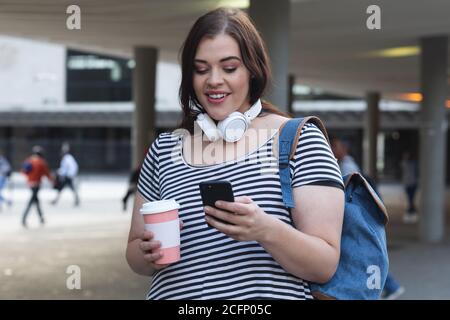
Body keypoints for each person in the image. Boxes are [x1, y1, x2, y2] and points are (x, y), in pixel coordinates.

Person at [126, 8, 345, 300]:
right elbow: (134, 254)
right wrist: (146, 253)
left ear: (253, 70)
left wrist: (265, 229)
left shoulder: (298, 139)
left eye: (229, 68)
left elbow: (325, 264)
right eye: (201, 69)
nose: (213, 80)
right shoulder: (165, 148)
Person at [330, 136, 405, 300]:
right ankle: (392, 286)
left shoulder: (346, 165)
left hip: (354, 217)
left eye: (335, 146)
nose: (334, 149)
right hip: (359, 216)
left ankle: (393, 286)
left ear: (343, 147)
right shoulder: (345, 163)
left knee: (361, 255)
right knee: (367, 255)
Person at [21, 145, 54, 228]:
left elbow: (23, 171)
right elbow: (47, 173)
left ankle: (41, 218)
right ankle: (23, 218)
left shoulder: (29, 160)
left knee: (36, 200)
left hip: (30, 183)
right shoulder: (41, 162)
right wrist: (52, 180)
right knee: (32, 200)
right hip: (36, 184)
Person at [51, 142, 80, 207]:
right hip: (68, 176)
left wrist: (60, 173)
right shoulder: (68, 158)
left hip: (67, 176)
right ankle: (76, 200)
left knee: (62, 188)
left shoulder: (67, 158)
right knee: (68, 188)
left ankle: (55, 200)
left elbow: (66, 168)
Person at [401, 152, 418, 224]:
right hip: (410, 183)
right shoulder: (413, 164)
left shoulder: (407, 164)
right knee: (410, 197)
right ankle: (412, 209)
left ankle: (411, 209)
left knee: (410, 197)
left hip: (410, 183)